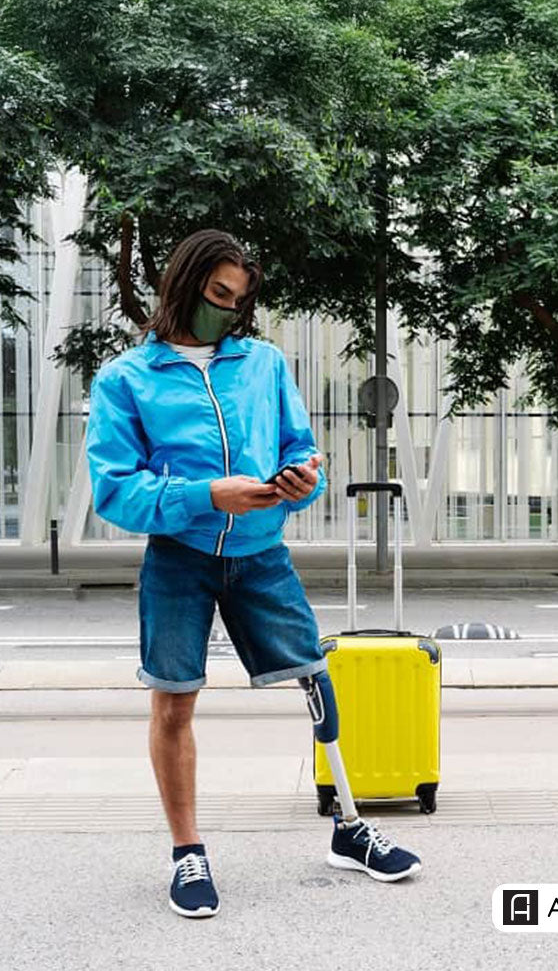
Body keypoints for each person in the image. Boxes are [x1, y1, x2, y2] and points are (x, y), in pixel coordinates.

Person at [85, 228, 422, 919]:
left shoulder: (263, 365)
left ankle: (350, 828)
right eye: (218, 295)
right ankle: (187, 853)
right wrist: (208, 495)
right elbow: (115, 491)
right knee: (174, 701)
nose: (230, 310)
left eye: (239, 300)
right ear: (182, 286)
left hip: (263, 553)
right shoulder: (126, 380)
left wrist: (306, 478)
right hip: (179, 560)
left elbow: (301, 446)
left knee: (316, 678)